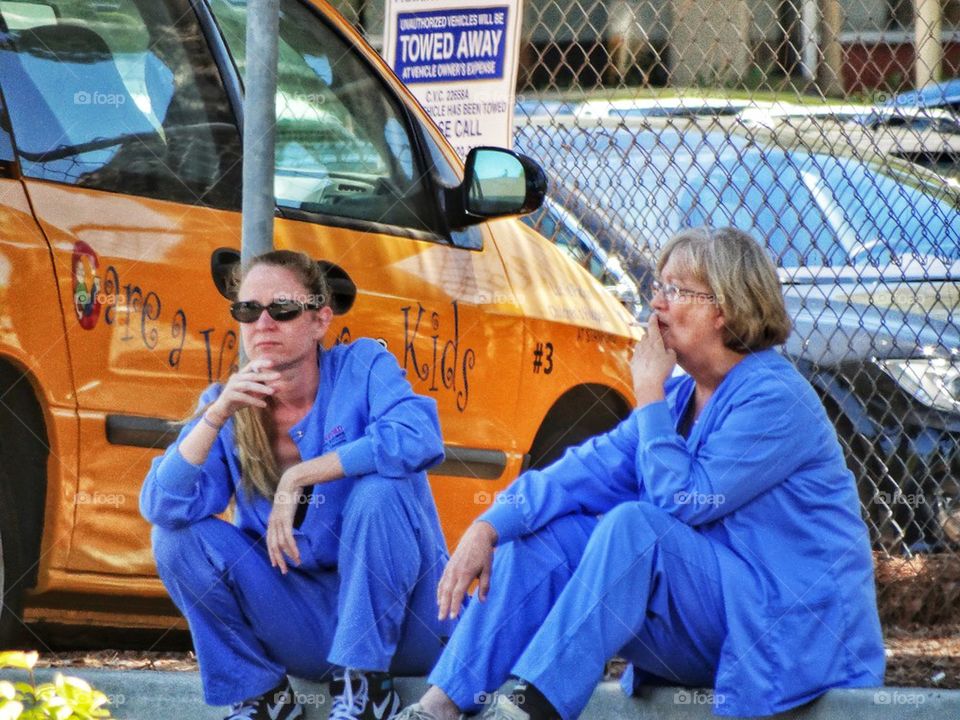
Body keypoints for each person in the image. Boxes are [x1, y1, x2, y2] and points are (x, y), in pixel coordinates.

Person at [396, 227, 885, 720]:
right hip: (721, 619)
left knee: (635, 527)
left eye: (676, 290)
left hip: (786, 630)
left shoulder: (776, 398)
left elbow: (685, 503)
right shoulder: (678, 400)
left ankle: (529, 710)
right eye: (658, 287)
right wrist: (489, 525)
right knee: (549, 537)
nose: (657, 305)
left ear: (725, 309)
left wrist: (648, 392)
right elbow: (582, 471)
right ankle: (439, 708)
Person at [141, 250, 454, 720]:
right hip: (305, 629)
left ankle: (368, 691)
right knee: (175, 537)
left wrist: (302, 475)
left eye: (282, 308)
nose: (263, 323)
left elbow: (419, 437)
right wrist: (215, 415)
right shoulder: (230, 404)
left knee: (381, 490)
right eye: (248, 310)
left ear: (319, 320)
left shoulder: (363, 366)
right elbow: (163, 506)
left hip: (409, 626)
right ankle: (263, 697)